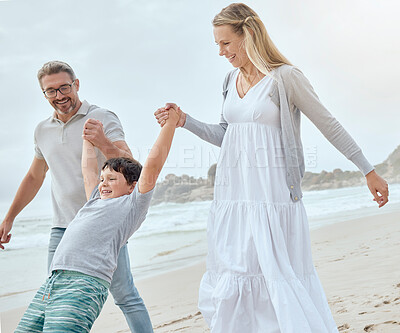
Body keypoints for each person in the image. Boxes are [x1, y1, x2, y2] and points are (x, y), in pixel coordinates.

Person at [154, 3, 389, 332]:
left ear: (247, 34)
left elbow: (329, 124)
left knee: (277, 275)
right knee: (239, 272)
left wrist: (368, 169)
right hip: (234, 196)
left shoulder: (286, 78)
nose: (220, 52)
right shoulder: (229, 79)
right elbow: (227, 134)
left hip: (273, 195)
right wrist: (184, 121)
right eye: (217, 45)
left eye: (225, 43)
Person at [0, 61, 153, 332]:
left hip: (103, 227)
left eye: (64, 87)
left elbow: (133, 168)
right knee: (51, 296)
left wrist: (103, 142)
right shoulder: (41, 130)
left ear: (76, 85)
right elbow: (35, 176)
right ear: (44, 94)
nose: (59, 96)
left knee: (125, 296)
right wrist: (9, 217)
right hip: (62, 228)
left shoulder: (102, 117)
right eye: (51, 91)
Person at [15, 106, 180, 332]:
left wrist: (169, 125)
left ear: (132, 186)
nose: (103, 183)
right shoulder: (95, 198)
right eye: (103, 178)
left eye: (112, 179)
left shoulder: (132, 204)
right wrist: (87, 138)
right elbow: (88, 170)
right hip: (54, 281)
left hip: (85, 284)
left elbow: (152, 165)